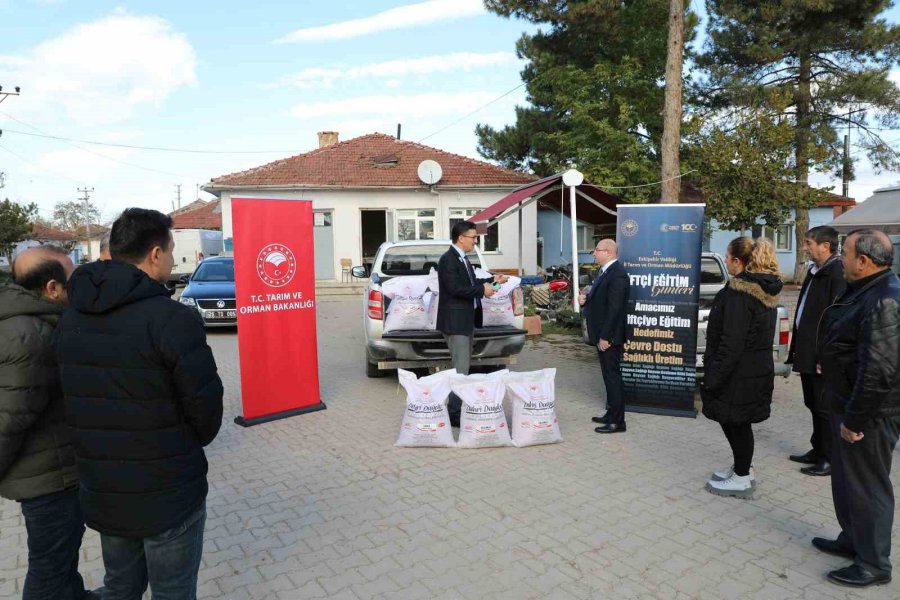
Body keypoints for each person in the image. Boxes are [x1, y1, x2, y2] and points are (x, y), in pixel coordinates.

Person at [56, 208, 224, 599]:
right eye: (169, 250)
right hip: (168, 493)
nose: (170, 259)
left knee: (120, 588)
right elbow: (206, 414)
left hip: (104, 490)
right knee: (173, 592)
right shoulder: (172, 319)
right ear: (154, 254)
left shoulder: (70, 317)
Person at [1, 246, 98, 599]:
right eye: (72, 279)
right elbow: (9, 418)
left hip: (51, 468)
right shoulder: (31, 334)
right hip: (47, 478)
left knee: (61, 558)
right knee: (49, 567)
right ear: (52, 289)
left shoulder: (28, 320)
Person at [813, 229, 900, 588]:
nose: (841, 258)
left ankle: (874, 563)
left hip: (867, 415)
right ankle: (853, 540)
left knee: (868, 486)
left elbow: (880, 370)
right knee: (847, 482)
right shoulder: (865, 289)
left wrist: (855, 419)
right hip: (846, 404)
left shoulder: (885, 300)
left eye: (845, 254)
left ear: (863, 261)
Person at [702, 237, 782, 498]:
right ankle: (742, 467)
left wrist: (713, 377)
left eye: (727, 257)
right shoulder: (759, 287)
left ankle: (742, 476)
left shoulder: (740, 292)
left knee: (735, 422)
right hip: (752, 369)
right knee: (738, 422)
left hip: (739, 372)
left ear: (738, 261)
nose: (725, 261)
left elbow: (731, 342)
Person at [786, 226, 845, 476]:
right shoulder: (815, 271)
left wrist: (825, 355)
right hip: (807, 349)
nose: (805, 247)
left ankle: (828, 458)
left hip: (822, 355)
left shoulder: (836, 273)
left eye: (809, 243)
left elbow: (838, 319)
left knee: (823, 407)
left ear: (825, 246)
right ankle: (817, 448)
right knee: (812, 403)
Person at [436, 220, 507, 426]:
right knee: (460, 371)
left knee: (463, 369)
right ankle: (454, 414)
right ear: (461, 238)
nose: (475, 242)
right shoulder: (448, 260)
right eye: (473, 238)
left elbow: (472, 284)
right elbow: (455, 289)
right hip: (456, 323)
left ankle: (457, 410)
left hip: (466, 321)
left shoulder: (463, 259)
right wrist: (482, 290)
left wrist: (494, 282)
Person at [580, 238, 630, 434]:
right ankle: (611, 413)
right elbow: (601, 301)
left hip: (609, 337)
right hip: (602, 334)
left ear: (608, 252)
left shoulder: (617, 274)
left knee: (613, 377)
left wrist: (606, 337)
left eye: (597, 250)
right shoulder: (605, 272)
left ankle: (618, 422)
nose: (594, 253)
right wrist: (585, 300)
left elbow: (615, 309)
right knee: (608, 377)